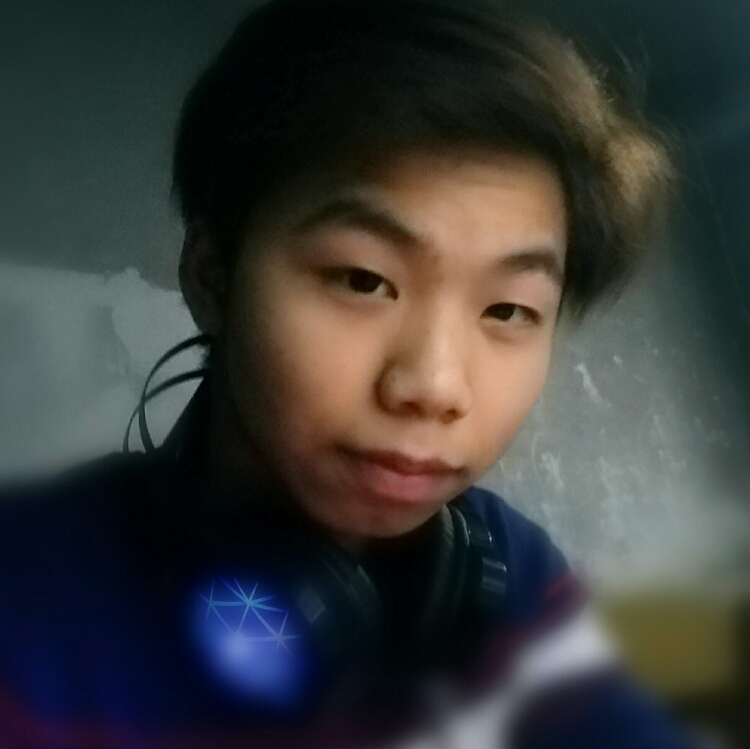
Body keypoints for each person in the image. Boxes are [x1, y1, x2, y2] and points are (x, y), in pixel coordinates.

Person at [0, 0, 703, 746]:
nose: (435, 385)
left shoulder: (510, 568)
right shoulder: (28, 599)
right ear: (212, 276)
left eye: (507, 309)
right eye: (364, 281)